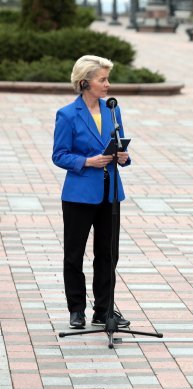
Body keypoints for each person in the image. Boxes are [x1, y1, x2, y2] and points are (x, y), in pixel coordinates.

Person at [52, 55, 131, 329]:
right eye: (103, 79)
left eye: (107, 79)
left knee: (108, 254)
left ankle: (104, 310)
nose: (108, 85)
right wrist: (86, 161)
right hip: (79, 195)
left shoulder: (112, 110)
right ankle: (77, 310)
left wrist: (123, 157)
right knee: (74, 254)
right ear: (85, 83)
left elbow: (121, 145)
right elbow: (59, 155)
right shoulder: (67, 115)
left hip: (110, 194)